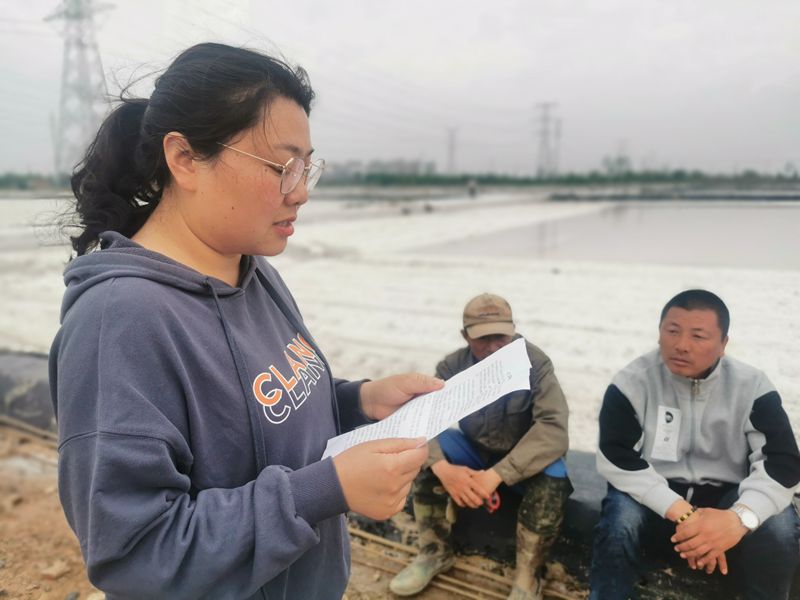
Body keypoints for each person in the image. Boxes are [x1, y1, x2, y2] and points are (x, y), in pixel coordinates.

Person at [48, 43, 444, 600]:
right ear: (185, 158)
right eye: (282, 167)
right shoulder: (120, 323)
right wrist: (323, 491)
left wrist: (358, 402)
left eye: (307, 167)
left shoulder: (253, 271)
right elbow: (135, 554)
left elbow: (264, 404)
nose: (300, 192)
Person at [590, 289, 800, 599]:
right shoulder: (632, 382)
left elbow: (783, 463)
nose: (681, 345)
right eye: (672, 331)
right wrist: (686, 515)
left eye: (698, 336)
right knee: (620, 521)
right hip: (657, 499)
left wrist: (738, 519)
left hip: (727, 502)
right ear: (659, 332)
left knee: (779, 527)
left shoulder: (752, 386)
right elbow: (616, 457)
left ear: (723, 344)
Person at [390, 293, 572, 600]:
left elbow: (553, 428)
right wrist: (443, 468)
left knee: (555, 474)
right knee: (422, 453)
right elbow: (422, 418)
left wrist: (497, 475)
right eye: (482, 338)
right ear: (465, 336)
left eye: (500, 336)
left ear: (513, 329)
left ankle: (528, 577)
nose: (493, 347)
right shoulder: (451, 366)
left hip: (522, 457)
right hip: (476, 450)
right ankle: (434, 551)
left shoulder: (535, 363)